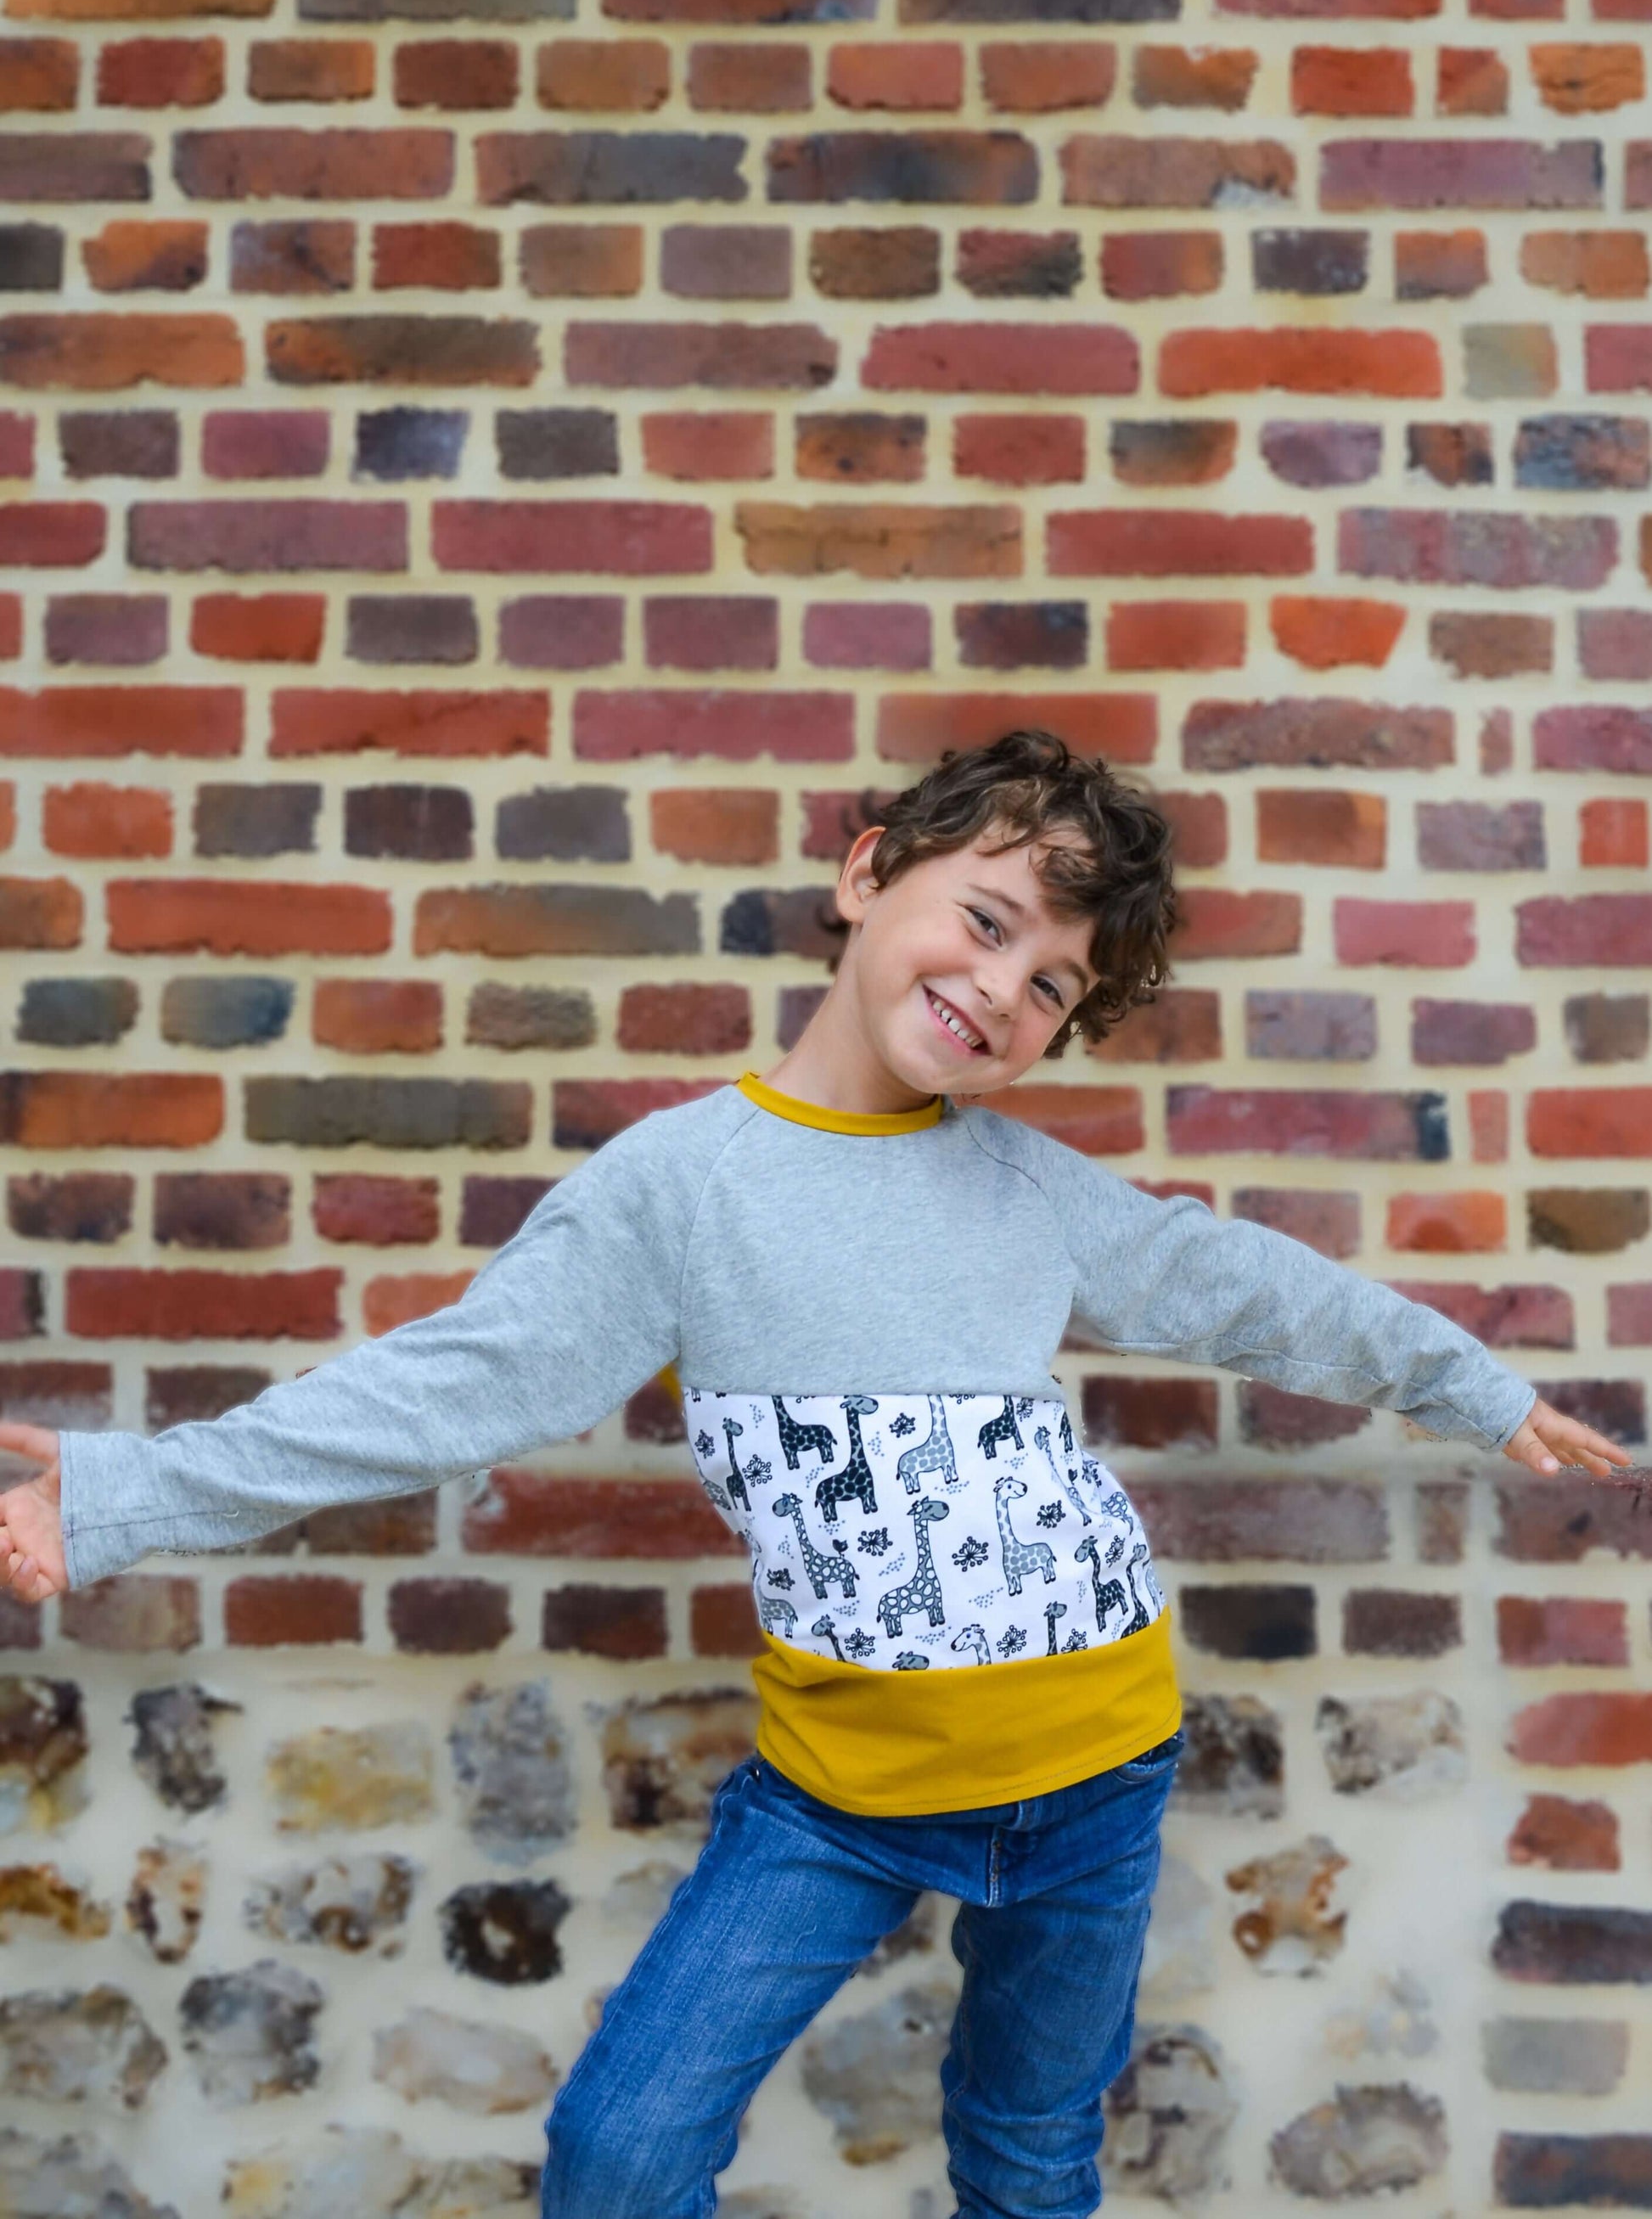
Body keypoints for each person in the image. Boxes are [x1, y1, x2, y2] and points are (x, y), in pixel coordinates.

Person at [0, 727, 1632, 2219]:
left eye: (1051, 985)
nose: (1000, 989)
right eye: (984, 921)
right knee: (621, 2152)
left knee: (1028, 2152)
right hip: (839, 1803)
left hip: (1102, 1768)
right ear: (865, 874)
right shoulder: (682, 1191)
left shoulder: (1027, 1190)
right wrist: (128, 1490)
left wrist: (1470, 1386)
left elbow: (1250, 1288)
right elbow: (443, 1387)